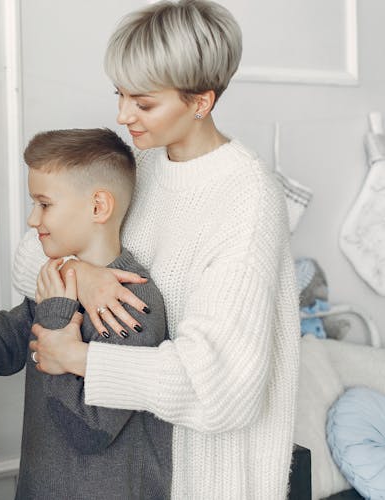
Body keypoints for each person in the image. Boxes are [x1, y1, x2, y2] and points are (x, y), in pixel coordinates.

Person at [15, 1, 301, 499]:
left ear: (200, 102)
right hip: (122, 469)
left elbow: (223, 387)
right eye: (120, 94)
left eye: (143, 103)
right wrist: (81, 273)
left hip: (200, 477)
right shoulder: (140, 165)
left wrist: (80, 359)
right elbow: (27, 261)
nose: (123, 114)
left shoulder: (248, 197)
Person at [0, 128, 172, 499]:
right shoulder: (59, 285)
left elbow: (89, 430)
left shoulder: (129, 304)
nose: (33, 220)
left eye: (44, 204)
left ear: (99, 206)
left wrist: (54, 319)